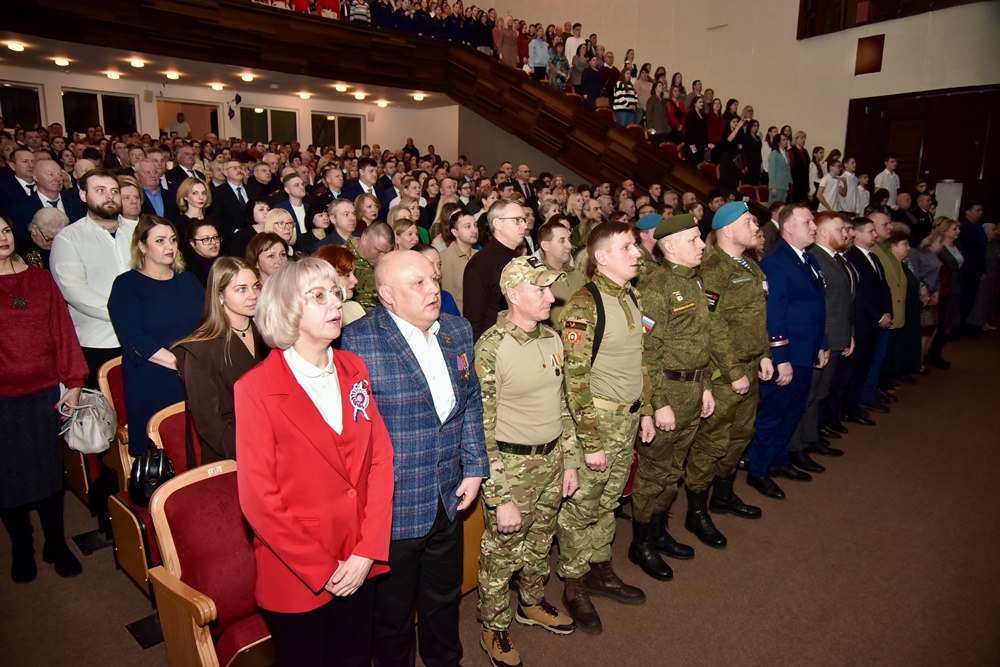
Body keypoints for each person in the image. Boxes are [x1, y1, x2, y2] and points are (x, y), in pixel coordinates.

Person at [236, 258, 394, 666]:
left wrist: (366, 551)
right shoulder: (255, 388)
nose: (335, 304)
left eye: (335, 294)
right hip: (297, 571)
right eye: (318, 296)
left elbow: (380, 459)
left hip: (360, 559)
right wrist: (325, 568)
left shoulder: (353, 368)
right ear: (288, 309)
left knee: (357, 658)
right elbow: (260, 501)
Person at [340, 250, 489, 666]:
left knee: (444, 599)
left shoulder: (457, 331)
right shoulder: (358, 341)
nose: (432, 290)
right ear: (387, 294)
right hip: (394, 507)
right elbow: (353, 436)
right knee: (393, 615)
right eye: (417, 283)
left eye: (432, 279)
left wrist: (475, 467)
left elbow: (471, 403)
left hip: (448, 496)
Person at [475, 256, 581, 666]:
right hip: (511, 468)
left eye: (549, 288)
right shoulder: (491, 348)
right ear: (513, 295)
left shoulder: (552, 339)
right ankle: (493, 626)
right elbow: (479, 429)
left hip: (552, 459)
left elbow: (564, 405)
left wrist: (569, 460)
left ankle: (531, 603)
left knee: (540, 543)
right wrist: (498, 494)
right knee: (501, 554)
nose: (550, 297)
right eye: (539, 290)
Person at [556, 221, 654, 635]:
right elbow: (574, 380)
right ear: (601, 258)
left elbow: (639, 361)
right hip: (596, 423)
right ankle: (573, 584)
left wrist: (646, 410)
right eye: (628, 247)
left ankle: (599, 567)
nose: (637, 253)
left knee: (609, 501)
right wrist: (590, 442)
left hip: (627, 419)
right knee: (582, 509)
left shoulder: (630, 296)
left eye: (636, 245)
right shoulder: (585, 304)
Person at [627, 213, 717, 581]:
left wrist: (707, 384)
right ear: (671, 245)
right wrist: (658, 403)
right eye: (694, 239)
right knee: (654, 472)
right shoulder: (656, 287)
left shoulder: (695, 283)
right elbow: (646, 352)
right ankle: (641, 542)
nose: (701, 245)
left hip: (693, 388)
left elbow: (702, 342)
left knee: (673, 469)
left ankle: (660, 530)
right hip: (668, 390)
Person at [0, 215, 89, 583]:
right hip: (3, 399)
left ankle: (56, 542)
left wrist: (74, 380)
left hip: (43, 393)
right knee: (7, 479)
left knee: (48, 473)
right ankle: (22, 545)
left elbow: (62, 329)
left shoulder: (39, 278)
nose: (3, 238)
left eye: (6, 230)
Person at [687, 201, 771, 527]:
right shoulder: (713, 269)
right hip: (725, 374)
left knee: (741, 434)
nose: (755, 227)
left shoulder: (751, 266)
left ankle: (723, 495)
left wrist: (764, 353)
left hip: (750, 367)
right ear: (727, 229)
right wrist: (734, 371)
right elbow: (713, 325)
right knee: (712, 441)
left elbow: (757, 317)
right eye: (748, 222)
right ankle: (697, 510)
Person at [747, 204, 829, 499]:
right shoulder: (777, 262)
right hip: (789, 354)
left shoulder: (808, 259)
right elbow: (775, 315)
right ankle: (758, 470)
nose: (814, 227)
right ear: (789, 227)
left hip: (807, 351)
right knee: (773, 414)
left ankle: (779, 460)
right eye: (807, 222)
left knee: (793, 411)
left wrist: (822, 343)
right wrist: (781, 359)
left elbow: (817, 307)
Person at [108, 215, 203, 456]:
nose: (169, 246)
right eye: (160, 241)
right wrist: (180, 364)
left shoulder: (189, 281)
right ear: (142, 246)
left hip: (195, 373)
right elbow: (134, 340)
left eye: (172, 240)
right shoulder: (126, 285)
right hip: (152, 378)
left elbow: (207, 324)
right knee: (165, 453)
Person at [173, 257, 267, 465]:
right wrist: (257, 456)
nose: (253, 296)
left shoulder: (269, 335)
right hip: (232, 455)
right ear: (220, 296)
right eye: (241, 289)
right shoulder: (200, 350)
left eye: (255, 287)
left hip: (275, 441)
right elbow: (211, 426)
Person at [50, 169, 137, 387]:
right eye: (100, 190)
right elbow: (75, 291)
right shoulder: (69, 238)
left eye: (114, 191)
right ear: (83, 195)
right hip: (98, 342)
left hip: (143, 338)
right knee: (106, 416)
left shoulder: (139, 231)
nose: (109, 196)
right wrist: (126, 314)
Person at [787, 211, 853, 472]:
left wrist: (849, 333)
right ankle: (796, 446)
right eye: (840, 229)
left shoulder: (832, 259)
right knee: (807, 396)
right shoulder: (815, 259)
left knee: (819, 394)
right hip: (819, 340)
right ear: (826, 233)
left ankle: (810, 438)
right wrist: (821, 341)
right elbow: (817, 308)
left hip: (834, 336)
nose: (846, 234)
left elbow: (845, 301)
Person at [464, 198, 528, 341]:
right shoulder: (480, 265)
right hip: (495, 348)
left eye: (524, 220)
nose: (524, 226)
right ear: (498, 223)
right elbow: (474, 322)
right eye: (517, 220)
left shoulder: (519, 259)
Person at [538, 220, 585, 324]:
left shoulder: (577, 275)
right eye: (562, 241)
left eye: (569, 239)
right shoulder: (537, 278)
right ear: (545, 246)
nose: (569, 246)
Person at [345, 221, 395, 310]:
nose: (382, 257)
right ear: (364, 239)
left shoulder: (388, 261)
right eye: (378, 251)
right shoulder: (343, 258)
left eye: (386, 252)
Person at [313, 244, 366, 326]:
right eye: (347, 275)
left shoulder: (355, 307)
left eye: (354, 273)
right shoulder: (317, 316)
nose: (355, 281)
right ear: (327, 276)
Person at [439, 209, 479, 314]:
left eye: (475, 225)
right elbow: (447, 301)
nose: (474, 230)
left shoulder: (479, 255)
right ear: (455, 232)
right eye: (468, 226)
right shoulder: (444, 259)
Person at [181, 219, 221, 287]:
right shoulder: (187, 271)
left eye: (216, 237)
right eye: (206, 239)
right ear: (192, 243)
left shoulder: (224, 262)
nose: (214, 242)